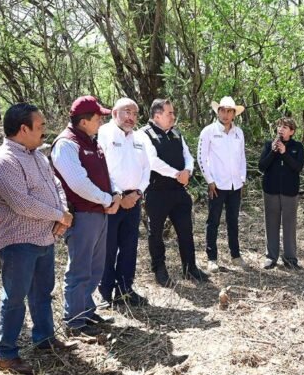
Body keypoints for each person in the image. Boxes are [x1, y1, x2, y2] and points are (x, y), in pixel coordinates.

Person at [0, 103, 76, 375]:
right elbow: (22, 204)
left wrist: (62, 214)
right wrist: (59, 215)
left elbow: (56, 185)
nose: (44, 132)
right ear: (23, 129)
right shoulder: (3, 161)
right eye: (40, 127)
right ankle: (7, 353)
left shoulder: (37, 155)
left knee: (42, 293)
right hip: (18, 241)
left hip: (44, 238)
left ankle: (45, 339)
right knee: (14, 297)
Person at [51, 96, 121, 338]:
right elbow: (78, 182)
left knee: (95, 267)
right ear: (83, 121)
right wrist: (107, 199)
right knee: (80, 268)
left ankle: (86, 311)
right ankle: (74, 320)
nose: (101, 120)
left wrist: (115, 194)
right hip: (81, 215)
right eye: (97, 117)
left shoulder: (91, 141)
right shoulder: (66, 145)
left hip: (99, 213)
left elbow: (105, 173)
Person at [141, 99, 209, 286]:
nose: (173, 116)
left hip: (179, 191)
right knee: (155, 233)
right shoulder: (144, 135)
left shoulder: (177, 133)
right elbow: (152, 161)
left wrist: (187, 171)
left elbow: (188, 155)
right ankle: (159, 270)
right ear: (157, 116)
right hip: (157, 191)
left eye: (173, 112)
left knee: (185, 230)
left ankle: (190, 268)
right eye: (169, 113)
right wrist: (176, 174)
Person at [97, 98, 150, 306]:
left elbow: (147, 169)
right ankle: (105, 292)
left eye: (135, 114)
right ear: (114, 113)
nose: (131, 117)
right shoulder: (104, 134)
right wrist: (118, 194)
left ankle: (125, 290)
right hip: (111, 200)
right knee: (107, 248)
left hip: (134, 199)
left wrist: (137, 192)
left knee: (129, 247)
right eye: (127, 111)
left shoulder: (138, 138)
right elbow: (102, 169)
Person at [197, 96, 248, 272]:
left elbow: (242, 157)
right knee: (213, 221)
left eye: (229, 111)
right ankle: (212, 258)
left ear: (234, 114)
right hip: (217, 185)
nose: (226, 115)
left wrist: (242, 180)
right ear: (218, 112)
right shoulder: (208, 131)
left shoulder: (238, 133)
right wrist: (210, 181)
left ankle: (235, 255)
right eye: (223, 110)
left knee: (233, 220)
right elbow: (201, 158)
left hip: (235, 185)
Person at [258, 117, 304, 270]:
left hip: (289, 192)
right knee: (271, 224)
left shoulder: (297, 147)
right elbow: (261, 166)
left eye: (285, 127)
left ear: (291, 131)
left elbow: (298, 167)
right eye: (279, 126)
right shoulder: (268, 145)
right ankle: (271, 257)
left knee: (289, 225)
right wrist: (273, 152)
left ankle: (290, 258)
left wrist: (285, 153)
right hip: (271, 191)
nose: (281, 129)